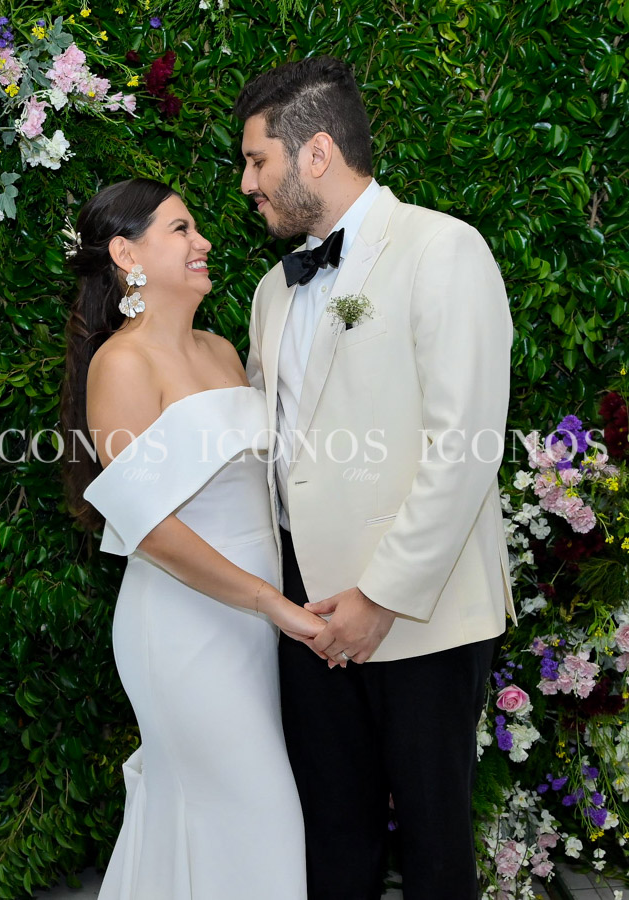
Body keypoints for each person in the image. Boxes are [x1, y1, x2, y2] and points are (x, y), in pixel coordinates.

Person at [234, 56, 518, 900]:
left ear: (314, 152)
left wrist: (379, 598)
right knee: (332, 839)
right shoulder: (269, 293)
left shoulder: (442, 249)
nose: (247, 184)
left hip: (420, 616)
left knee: (434, 850)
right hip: (308, 619)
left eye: (256, 161)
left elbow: (464, 446)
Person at [59, 177, 325, 899]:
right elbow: (151, 528)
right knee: (258, 810)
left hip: (253, 628)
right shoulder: (122, 364)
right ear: (127, 253)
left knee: (218, 819)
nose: (203, 241)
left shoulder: (221, 351)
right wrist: (273, 605)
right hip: (182, 629)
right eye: (181, 229)